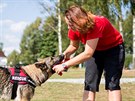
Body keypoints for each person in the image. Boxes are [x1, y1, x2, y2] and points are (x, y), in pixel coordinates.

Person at [53, 5, 125, 101]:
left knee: (112, 84)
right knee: (89, 84)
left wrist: (65, 65)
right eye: (68, 24)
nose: (68, 27)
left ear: (79, 20)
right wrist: (63, 56)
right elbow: (73, 46)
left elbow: (87, 53)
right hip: (95, 51)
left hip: (114, 49)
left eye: (70, 24)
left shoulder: (98, 23)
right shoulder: (74, 29)